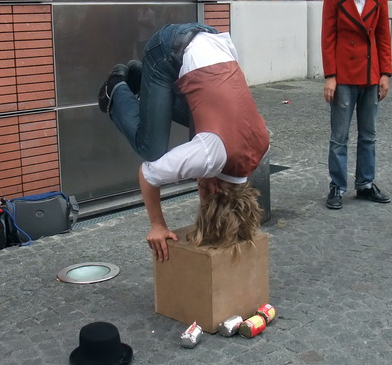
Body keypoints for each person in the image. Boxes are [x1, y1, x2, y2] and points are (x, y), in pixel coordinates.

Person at [97, 23, 270, 260]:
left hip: (208, 42)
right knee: (152, 149)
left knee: (199, 119)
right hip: (166, 50)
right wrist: (157, 225)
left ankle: (143, 82)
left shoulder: (260, 145)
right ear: (210, 188)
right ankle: (116, 88)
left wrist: (208, 173)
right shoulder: (210, 154)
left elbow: (219, 139)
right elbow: (147, 174)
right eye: (202, 198)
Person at [321, 0, 392, 210]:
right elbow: (327, 39)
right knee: (339, 137)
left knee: (369, 135)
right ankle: (337, 186)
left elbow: (384, 38)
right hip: (343, 77)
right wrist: (330, 76)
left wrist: (385, 73)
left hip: (370, 74)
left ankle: (365, 184)